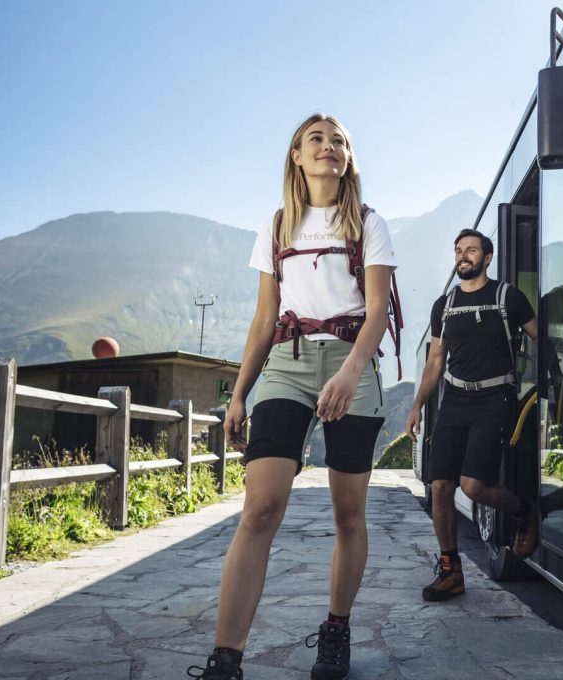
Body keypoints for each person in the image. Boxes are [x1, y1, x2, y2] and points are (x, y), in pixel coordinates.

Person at [188, 114, 396, 680]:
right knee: (260, 507)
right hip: (288, 363)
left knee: (348, 514)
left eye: (339, 142)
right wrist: (239, 395)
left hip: (353, 360)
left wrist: (352, 371)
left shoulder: (369, 225)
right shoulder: (277, 227)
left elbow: (378, 309)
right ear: (297, 156)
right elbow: (262, 320)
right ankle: (225, 658)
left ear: (348, 159)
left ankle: (336, 628)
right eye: (317, 140)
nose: (329, 148)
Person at [405, 229, 538, 602]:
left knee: (473, 486)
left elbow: (540, 336)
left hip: (496, 397)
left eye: (472, 250)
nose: (463, 256)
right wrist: (417, 405)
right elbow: (435, 361)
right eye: (459, 251)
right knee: (440, 487)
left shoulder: (507, 296)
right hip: (455, 400)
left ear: (488, 257)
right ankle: (451, 571)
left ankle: (523, 509)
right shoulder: (443, 306)